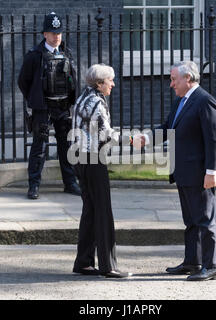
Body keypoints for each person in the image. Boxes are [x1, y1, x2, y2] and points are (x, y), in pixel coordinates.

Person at [140, 61, 216, 281]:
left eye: (174, 79)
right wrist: (147, 138)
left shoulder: (205, 101)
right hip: (183, 171)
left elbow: (214, 140)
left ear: (188, 78)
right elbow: (168, 128)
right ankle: (193, 261)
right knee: (191, 221)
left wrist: (211, 171)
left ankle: (212, 265)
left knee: (204, 219)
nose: (171, 84)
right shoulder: (181, 101)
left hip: (199, 172)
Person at [70, 64, 132, 278]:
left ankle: (84, 262)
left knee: (90, 210)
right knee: (103, 211)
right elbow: (105, 135)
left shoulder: (82, 98)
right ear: (99, 83)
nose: (113, 84)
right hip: (93, 159)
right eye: (109, 81)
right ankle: (109, 266)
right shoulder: (96, 103)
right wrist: (132, 139)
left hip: (79, 158)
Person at [18, 12, 81, 199]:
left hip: (62, 106)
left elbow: (73, 78)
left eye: (59, 32)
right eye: (53, 33)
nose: (57, 36)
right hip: (43, 107)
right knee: (39, 146)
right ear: (45, 34)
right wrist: (35, 99)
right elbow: (23, 81)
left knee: (66, 145)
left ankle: (70, 183)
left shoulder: (66, 52)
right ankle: (34, 185)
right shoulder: (34, 56)